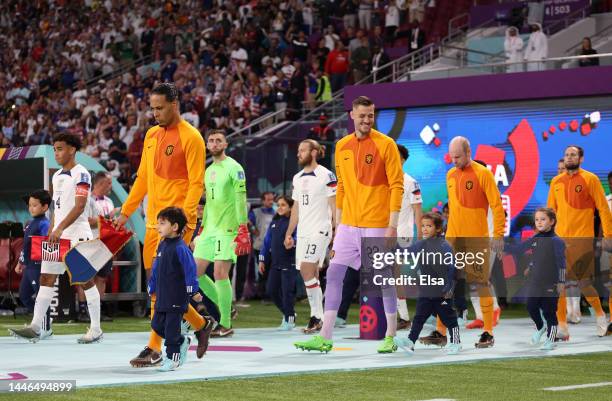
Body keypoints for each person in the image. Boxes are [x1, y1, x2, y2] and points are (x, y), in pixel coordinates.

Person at [294, 95, 404, 354]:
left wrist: (392, 226)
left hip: (377, 224)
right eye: (362, 115)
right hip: (349, 226)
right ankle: (325, 336)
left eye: (371, 115)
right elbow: (341, 187)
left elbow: (397, 186)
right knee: (333, 274)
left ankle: (390, 335)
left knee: (383, 278)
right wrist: (339, 224)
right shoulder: (342, 146)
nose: (367, 120)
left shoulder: (386, 144)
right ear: (352, 115)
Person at [115, 83, 213, 368]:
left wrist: (183, 222)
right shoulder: (150, 135)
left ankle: (154, 347)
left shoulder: (192, 138)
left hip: (178, 224)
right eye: (153, 108)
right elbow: (144, 177)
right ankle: (200, 324)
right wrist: (126, 211)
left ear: (175, 104)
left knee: (166, 286)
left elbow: (196, 183)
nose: (155, 113)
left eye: (160, 108)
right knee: (157, 286)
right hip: (154, 223)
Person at [10, 134, 103, 343]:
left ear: (72, 150)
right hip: (57, 236)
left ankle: (96, 329)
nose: (56, 153)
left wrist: (60, 228)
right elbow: (56, 209)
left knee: (85, 281)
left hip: (78, 235)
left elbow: (80, 207)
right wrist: (51, 230)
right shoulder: (57, 175)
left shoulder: (82, 174)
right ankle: (35, 326)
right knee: (46, 278)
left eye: (60, 149)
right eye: (54, 149)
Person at [422, 136, 505, 348]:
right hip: (452, 240)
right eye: (451, 156)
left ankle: (488, 332)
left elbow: (496, 206)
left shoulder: (483, 173)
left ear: (469, 153)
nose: (454, 160)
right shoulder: (450, 174)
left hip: (476, 239)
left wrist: (498, 235)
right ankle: (441, 332)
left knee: (480, 283)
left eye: (458, 157)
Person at [547, 145, 612, 339]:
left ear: (581, 158)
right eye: (566, 154)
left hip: (582, 239)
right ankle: (562, 327)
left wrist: (608, 235)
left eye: (573, 154)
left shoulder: (590, 179)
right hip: (559, 240)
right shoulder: (556, 181)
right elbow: (550, 212)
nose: (569, 157)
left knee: (583, 282)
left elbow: (603, 209)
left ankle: (600, 315)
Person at [193, 129, 251, 338]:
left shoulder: (234, 168)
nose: (215, 143)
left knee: (219, 273)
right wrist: (202, 227)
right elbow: (208, 202)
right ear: (208, 145)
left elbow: (240, 198)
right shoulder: (208, 171)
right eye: (211, 141)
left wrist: (242, 227)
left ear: (225, 144)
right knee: (194, 273)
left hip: (228, 228)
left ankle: (225, 323)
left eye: (219, 140)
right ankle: (226, 306)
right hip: (210, 228)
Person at [285, 139, 336, 334]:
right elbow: (296, 208)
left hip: (320, 229)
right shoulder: (297, 177)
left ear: (314, 152)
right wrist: (289, 233)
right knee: (310, 273)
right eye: (298, 150)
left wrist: (336, 230)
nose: (298, 154)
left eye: (302, 150)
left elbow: (334, 205)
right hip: (304, 232)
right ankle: (318, 318)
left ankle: (317, 317)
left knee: (307, 270)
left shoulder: (326, 175)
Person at [394, 212, 461, 355]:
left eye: (428, 226)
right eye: (423, 226)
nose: (424, 229)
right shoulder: (420, 245)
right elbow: (407, 252)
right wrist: (394, 247)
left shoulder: (444, 246)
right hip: (426, 291)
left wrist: (449, 287)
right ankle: (411, 342)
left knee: (449, 318)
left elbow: (452, 267)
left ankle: (456, 342)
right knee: (419, 317)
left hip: (442, 292)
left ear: (438, 229)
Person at [505, 208, 566, 351]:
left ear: (552, 221)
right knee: (531, 306)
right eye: (537, 219)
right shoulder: (535, 239)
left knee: (549, 312)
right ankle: (540, 327)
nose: (539, 222)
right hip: (535, 281)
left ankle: (550, 340)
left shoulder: (556, 241)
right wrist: (502, 246)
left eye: (543, 219)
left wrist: (561, 282)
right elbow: (519, 249)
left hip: (551, 282)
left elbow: (561, 262)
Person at [149, 207, 199, 371]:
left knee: (170, 331)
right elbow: (156, 266)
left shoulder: (180, 248)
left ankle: (173, 358)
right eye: (158, 224)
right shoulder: (163, 245)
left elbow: (190, 269)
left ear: (175, 227)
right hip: (163, 295)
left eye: (162, 223)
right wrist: (152, 283)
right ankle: (181, 340)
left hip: (176, 297)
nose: (158, 227)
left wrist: (193, 289)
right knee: (156, 325)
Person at [77, 171, 118, 323]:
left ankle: (98, 311)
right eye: (109, 183)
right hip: (89, 242)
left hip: (106, 244)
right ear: (100, 183)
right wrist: (107, 218)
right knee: (87, 278)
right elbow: (85, 221)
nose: (111, 186)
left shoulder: (109, 201)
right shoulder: (85, 200)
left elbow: (109, 223)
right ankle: (82, 310)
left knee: (102, 278)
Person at [259, 196, 298, 330]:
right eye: (278, 205)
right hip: (275, 263)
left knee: (287, 292)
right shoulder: (274, 222)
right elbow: (266, 242)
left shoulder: (295, 223)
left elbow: (297, 238)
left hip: (289, 262)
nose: (279, 207)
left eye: (283, 205)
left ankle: (290, 320)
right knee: (272, 290)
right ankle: (289, 313)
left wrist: (293, 242)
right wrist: (262, 259)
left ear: (291, 207)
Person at [396, 144, 423, 330]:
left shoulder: (410, 182)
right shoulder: (382, 181)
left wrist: (422, 239)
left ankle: (438, 311)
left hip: (403, 236)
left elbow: (418, 213)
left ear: (403, 160)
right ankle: (403, 317)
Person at [15, 190, 51, 333]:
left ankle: (46, 328)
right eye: (30, 205)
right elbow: (25, 246)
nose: (31, 208)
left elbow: (47, 245)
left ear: (45, 207)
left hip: (39, 267)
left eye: (34, 205)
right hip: (29, 267)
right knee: (24, 296)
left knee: (41, 297)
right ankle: (42, 320)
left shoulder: (44, 224)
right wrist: (20, 262)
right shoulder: (30, 223)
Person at [249, 192, 276, 298]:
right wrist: (254, 230)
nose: (271, 202)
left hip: (273, 247)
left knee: (271, 271)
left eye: (272, 200)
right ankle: (262, 293)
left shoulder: (276, 213)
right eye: (268, 200)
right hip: (259, 246)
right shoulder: (255, 212)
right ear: (263, 201)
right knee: (262, 270)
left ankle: (269, 293)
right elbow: (249, 223)